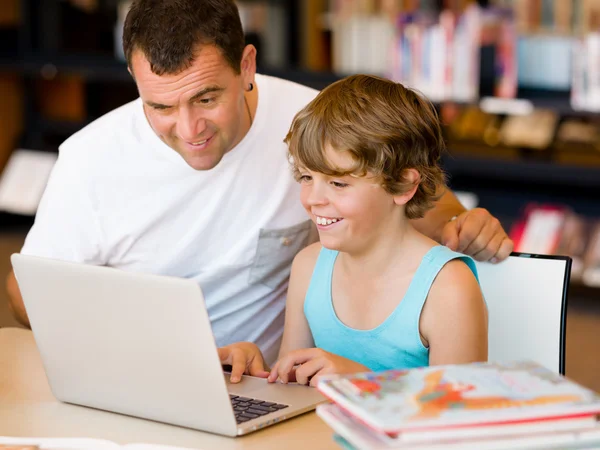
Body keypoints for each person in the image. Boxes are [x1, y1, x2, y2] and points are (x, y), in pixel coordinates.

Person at [6, 0, 509, 365]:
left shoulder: (313, 125)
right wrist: (130, 351)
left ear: (247, 66)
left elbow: (420, 202)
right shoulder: (91, 159)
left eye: (206, 98)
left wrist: (469, 223)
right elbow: (27, 291)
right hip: (156, 373)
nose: (188, 129)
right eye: (159, 106)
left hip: (267, 387)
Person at [220, 75, 488, 385]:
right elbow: (291, 385)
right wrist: (258, 368)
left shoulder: (448, 287)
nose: (312, 200)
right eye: (306, 178)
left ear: (402, 185)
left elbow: (455, 417)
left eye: (338, 183)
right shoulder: (308, 266)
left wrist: (362, 381)